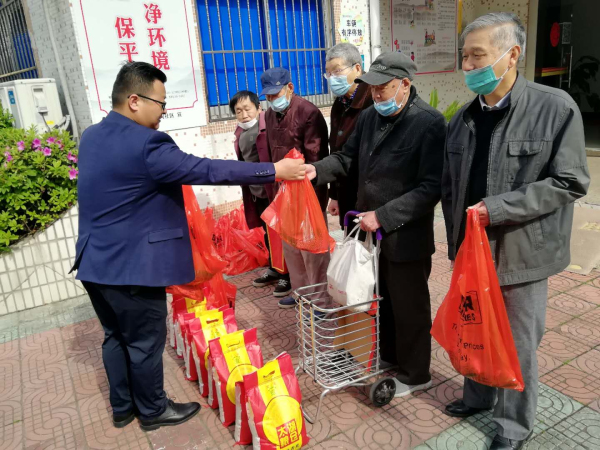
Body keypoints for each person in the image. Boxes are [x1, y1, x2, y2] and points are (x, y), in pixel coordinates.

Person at [70, 62, 305, 431]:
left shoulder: (91, 136)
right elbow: (208, 169)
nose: (164, 111)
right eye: (160, 103)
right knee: (145, 342)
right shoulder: (147, 144)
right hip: (132, 267)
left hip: (94, 261)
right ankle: (153, 411)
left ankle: (123, 408)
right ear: (134, 100)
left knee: (115, 336)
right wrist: (274, 170)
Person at [441, 13, 589, 450]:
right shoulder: (463, 118)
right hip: (472, 249)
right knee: (473, 327)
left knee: (516, 342)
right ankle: (478, 396)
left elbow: (571, 181)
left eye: (478, 56)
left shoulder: (554, 108)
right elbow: (449, 185)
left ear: (512, 55)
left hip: (522, 250)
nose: (468, 66)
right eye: (465, 56)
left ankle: (512, 427)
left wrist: (497, 208)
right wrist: (455, 241)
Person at [305, 52, 447, 396]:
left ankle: (416, 373)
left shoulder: (429, 123)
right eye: (373, 88)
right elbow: (346, 158)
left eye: (384, 88)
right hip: (369, 235)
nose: (377, 94)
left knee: (409, 307)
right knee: (381, 300)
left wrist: (383, 215)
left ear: (405, 85)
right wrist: (315, 170)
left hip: (405, 235)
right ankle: (389, 356)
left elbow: (431, 187)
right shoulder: (370, 117)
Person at [259, 67, 330, 309]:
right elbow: (271, 151)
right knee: (291, 248)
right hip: (282, 193)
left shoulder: (308, 112)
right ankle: (301, 294)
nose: (272, 100)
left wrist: (313, 194)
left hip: (307, 192)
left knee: (313, 251)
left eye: (275, 94)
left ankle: (321, 300)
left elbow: (317, 156)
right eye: (268, 96)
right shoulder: (270, 114)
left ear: (290, 87)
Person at [229, 90, 292, 297]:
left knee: (280, 233)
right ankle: (275, 267)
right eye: (238, 111)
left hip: (272, 190)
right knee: (267, 231)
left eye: (247, 109)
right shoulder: (240, 131)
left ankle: (287, 275)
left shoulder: (268, 128)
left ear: (258, 108)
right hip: (256, 192)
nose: (244, 114)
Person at [324, 43, 373, 226]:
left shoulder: (373, 99)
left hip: (369, 196)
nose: (332, 78)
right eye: (328, 73)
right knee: (351, 240)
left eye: (337, 71)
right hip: (345, 191)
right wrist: (334, 195)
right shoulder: (339, 103)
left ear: (357, 69)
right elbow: (335, 148)